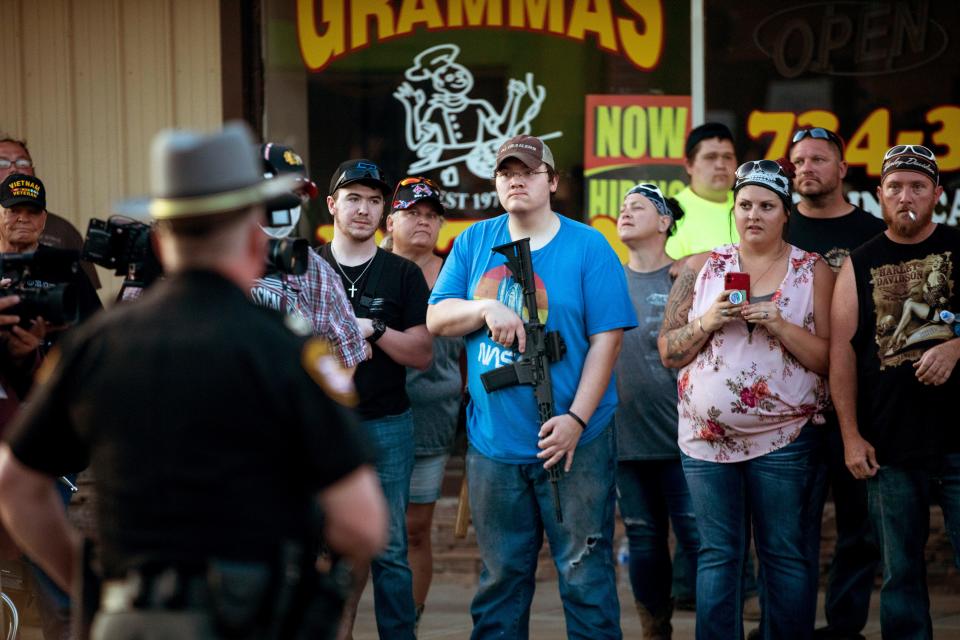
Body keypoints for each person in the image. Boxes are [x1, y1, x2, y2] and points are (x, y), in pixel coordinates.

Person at [0, 122, 388, 639]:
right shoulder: (287, 351)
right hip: (252, 616)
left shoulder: (97, 346)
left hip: (132, 617)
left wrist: (85, 585)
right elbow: (363, 523)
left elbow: (16, 486)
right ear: (254, 238)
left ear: (159, 239)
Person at [427, 135, 637, 639]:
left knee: (585, 577)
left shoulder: (589, 247)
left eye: (528, 171)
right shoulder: (475, 241)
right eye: (505, 172)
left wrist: (576, 420)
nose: (515, 179)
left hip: (575, 445)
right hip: (494, 445)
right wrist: (485, 307)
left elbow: (607, 343)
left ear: (553, 181)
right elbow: (437, 316)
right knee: (501, 581)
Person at [658, 158, 835, 640]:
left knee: (783, 552)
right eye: (745, 205)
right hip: (705, 439)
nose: (753, 214)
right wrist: (708, 320)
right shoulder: (702, 267)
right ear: (733, 210)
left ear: (785, 213)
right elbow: (668, 351)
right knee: (718, 554)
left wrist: (779, 323)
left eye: (766, 205)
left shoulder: (812, 271)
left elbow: (828, 359)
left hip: (785, 438)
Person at [830, 144, 960, 640]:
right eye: (895, 187)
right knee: (901, 575)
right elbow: (841, 353)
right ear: (879, 195)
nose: (906, 196)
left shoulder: (958, 246)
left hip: (956, 439)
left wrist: (955, 348)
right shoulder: (859, 263)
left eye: (918, 187)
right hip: (889, 444)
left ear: (936, 195)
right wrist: (850, 436)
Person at [319, 159, 432, 640]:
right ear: (332, 205)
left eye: (372, 200)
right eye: (353, 198)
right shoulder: (307, 267)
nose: (363, 209)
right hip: (318, 427)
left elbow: (423, 353)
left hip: (387, 423)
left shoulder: (403, 274)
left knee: (389, 551)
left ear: (383, 210)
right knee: (316, 548)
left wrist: (376, 329)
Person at [787, 127, 884, 640]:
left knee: (859, 529)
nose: (807, 168)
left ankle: (845, 628)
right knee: (790, 531)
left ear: (843, 169)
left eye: (819, 159)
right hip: (790, 405)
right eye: (799, 160)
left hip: (857, 405)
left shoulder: (873, 233)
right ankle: (792, 627)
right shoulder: (777, 227)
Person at [614, 183, 699, 639]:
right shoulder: (607, 278)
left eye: (638, 207)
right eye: (623, 207)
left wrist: (696, 259)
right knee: (644, 541)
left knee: (701, 541)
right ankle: (655, 629)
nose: (625, 213)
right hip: (626, 439)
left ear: (665, 222)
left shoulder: (688, 276)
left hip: (685, 439)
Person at [384, 176, 464, 629]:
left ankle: (407, 624)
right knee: (369, 532)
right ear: (390, 219)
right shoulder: (370, 268)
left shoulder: (455, 274)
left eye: (432, 215)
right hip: (372, 414)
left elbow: (474, 351)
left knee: (415, 529)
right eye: (413, 212)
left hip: (433, 419)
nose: (424, 221)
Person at [250, 143, 367, 369]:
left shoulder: (315, 269)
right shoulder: (212, 261)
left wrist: (318, 402)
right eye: (281, 193)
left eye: (297, 195)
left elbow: (349, 352)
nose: (290, 204)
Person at [0, 136, 101, 289]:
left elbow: (91, 311)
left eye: (33, 212)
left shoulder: (62, 238)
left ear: (43, 218)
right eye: (14, 211)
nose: (23, 218)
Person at [665, 122, 739, 261]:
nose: (721, 165)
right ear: (689, 165)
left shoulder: (750, 205)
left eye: (728, 157)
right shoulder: (671, 212)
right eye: (711, 157)